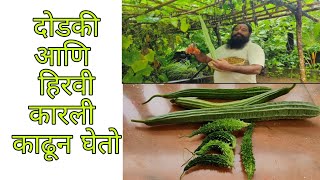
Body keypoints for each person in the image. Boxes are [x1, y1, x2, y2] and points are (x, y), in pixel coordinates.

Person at [186, 23, 265, 83]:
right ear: (232, 32)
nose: (239, 31)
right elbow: (207, 59)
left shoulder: (254, 48)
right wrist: (196, 52)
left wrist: (228, 67)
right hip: (220, 90)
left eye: (243, 30)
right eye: (236, 29)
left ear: (249, 34)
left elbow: (256, 69)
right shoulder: (223, 47)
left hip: (242, 91)